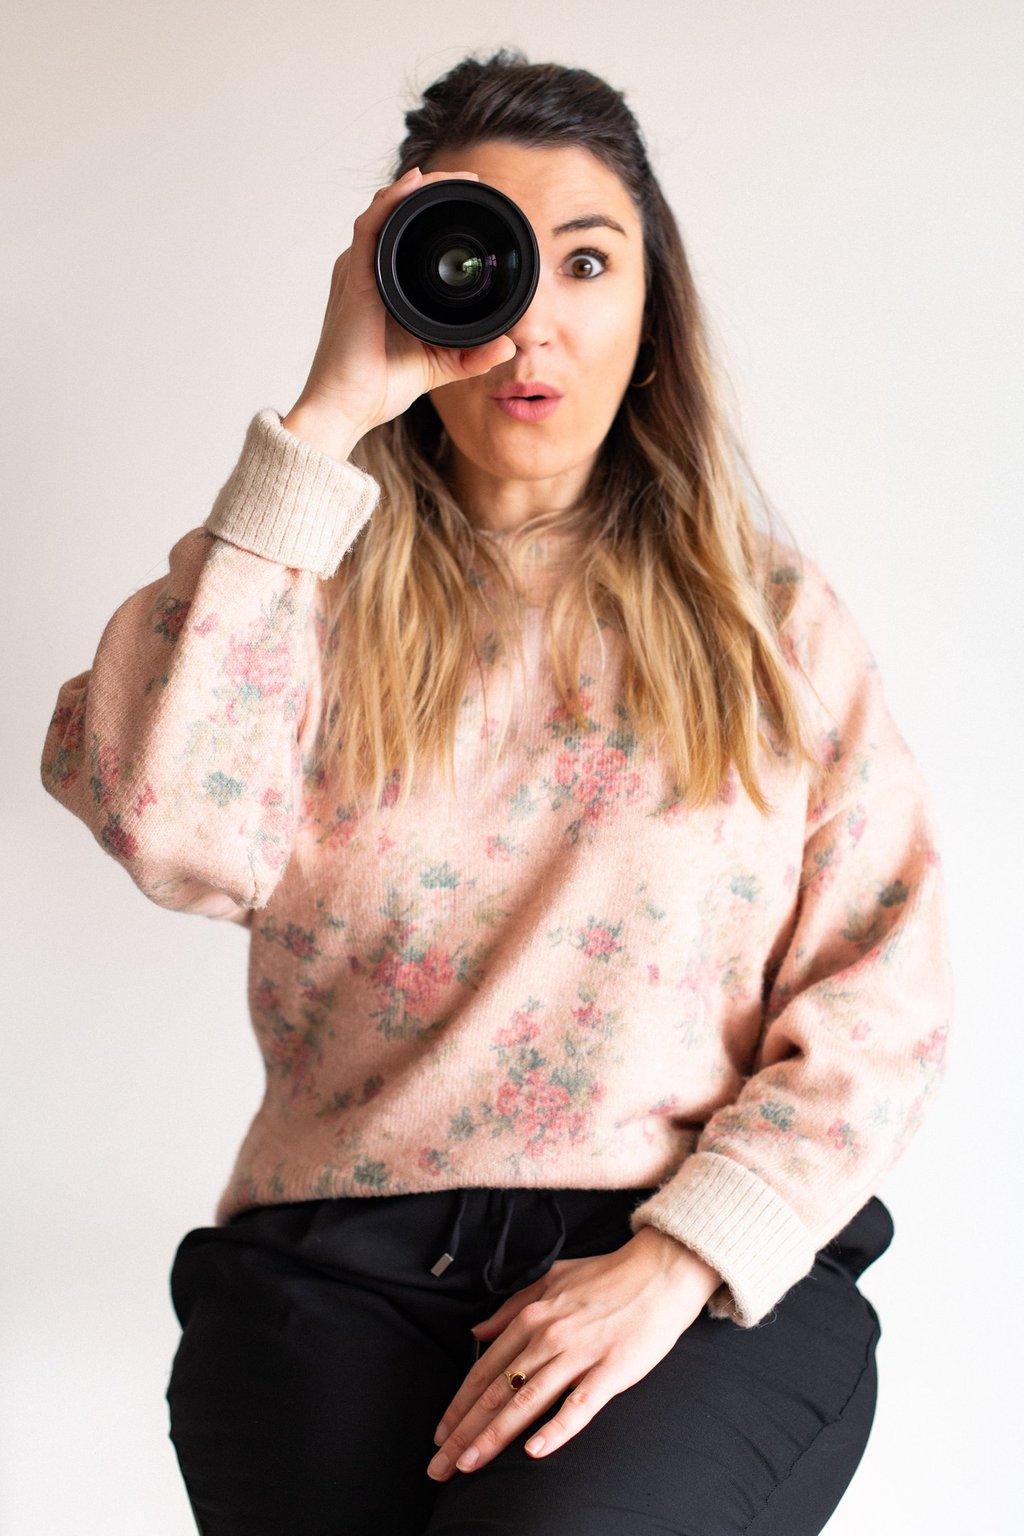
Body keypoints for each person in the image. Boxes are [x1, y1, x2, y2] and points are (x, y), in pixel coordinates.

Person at [39, 47, 953, 1536]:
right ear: (405, 285)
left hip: (684, 1275)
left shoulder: (769, 621)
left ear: (652, 309)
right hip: (330, 1278)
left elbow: (883, 991)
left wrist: (682, 1259)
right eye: (482, 260)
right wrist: (329, 413)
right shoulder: (296, 597)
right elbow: (166, 822)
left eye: (586, 261)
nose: (532, 319)